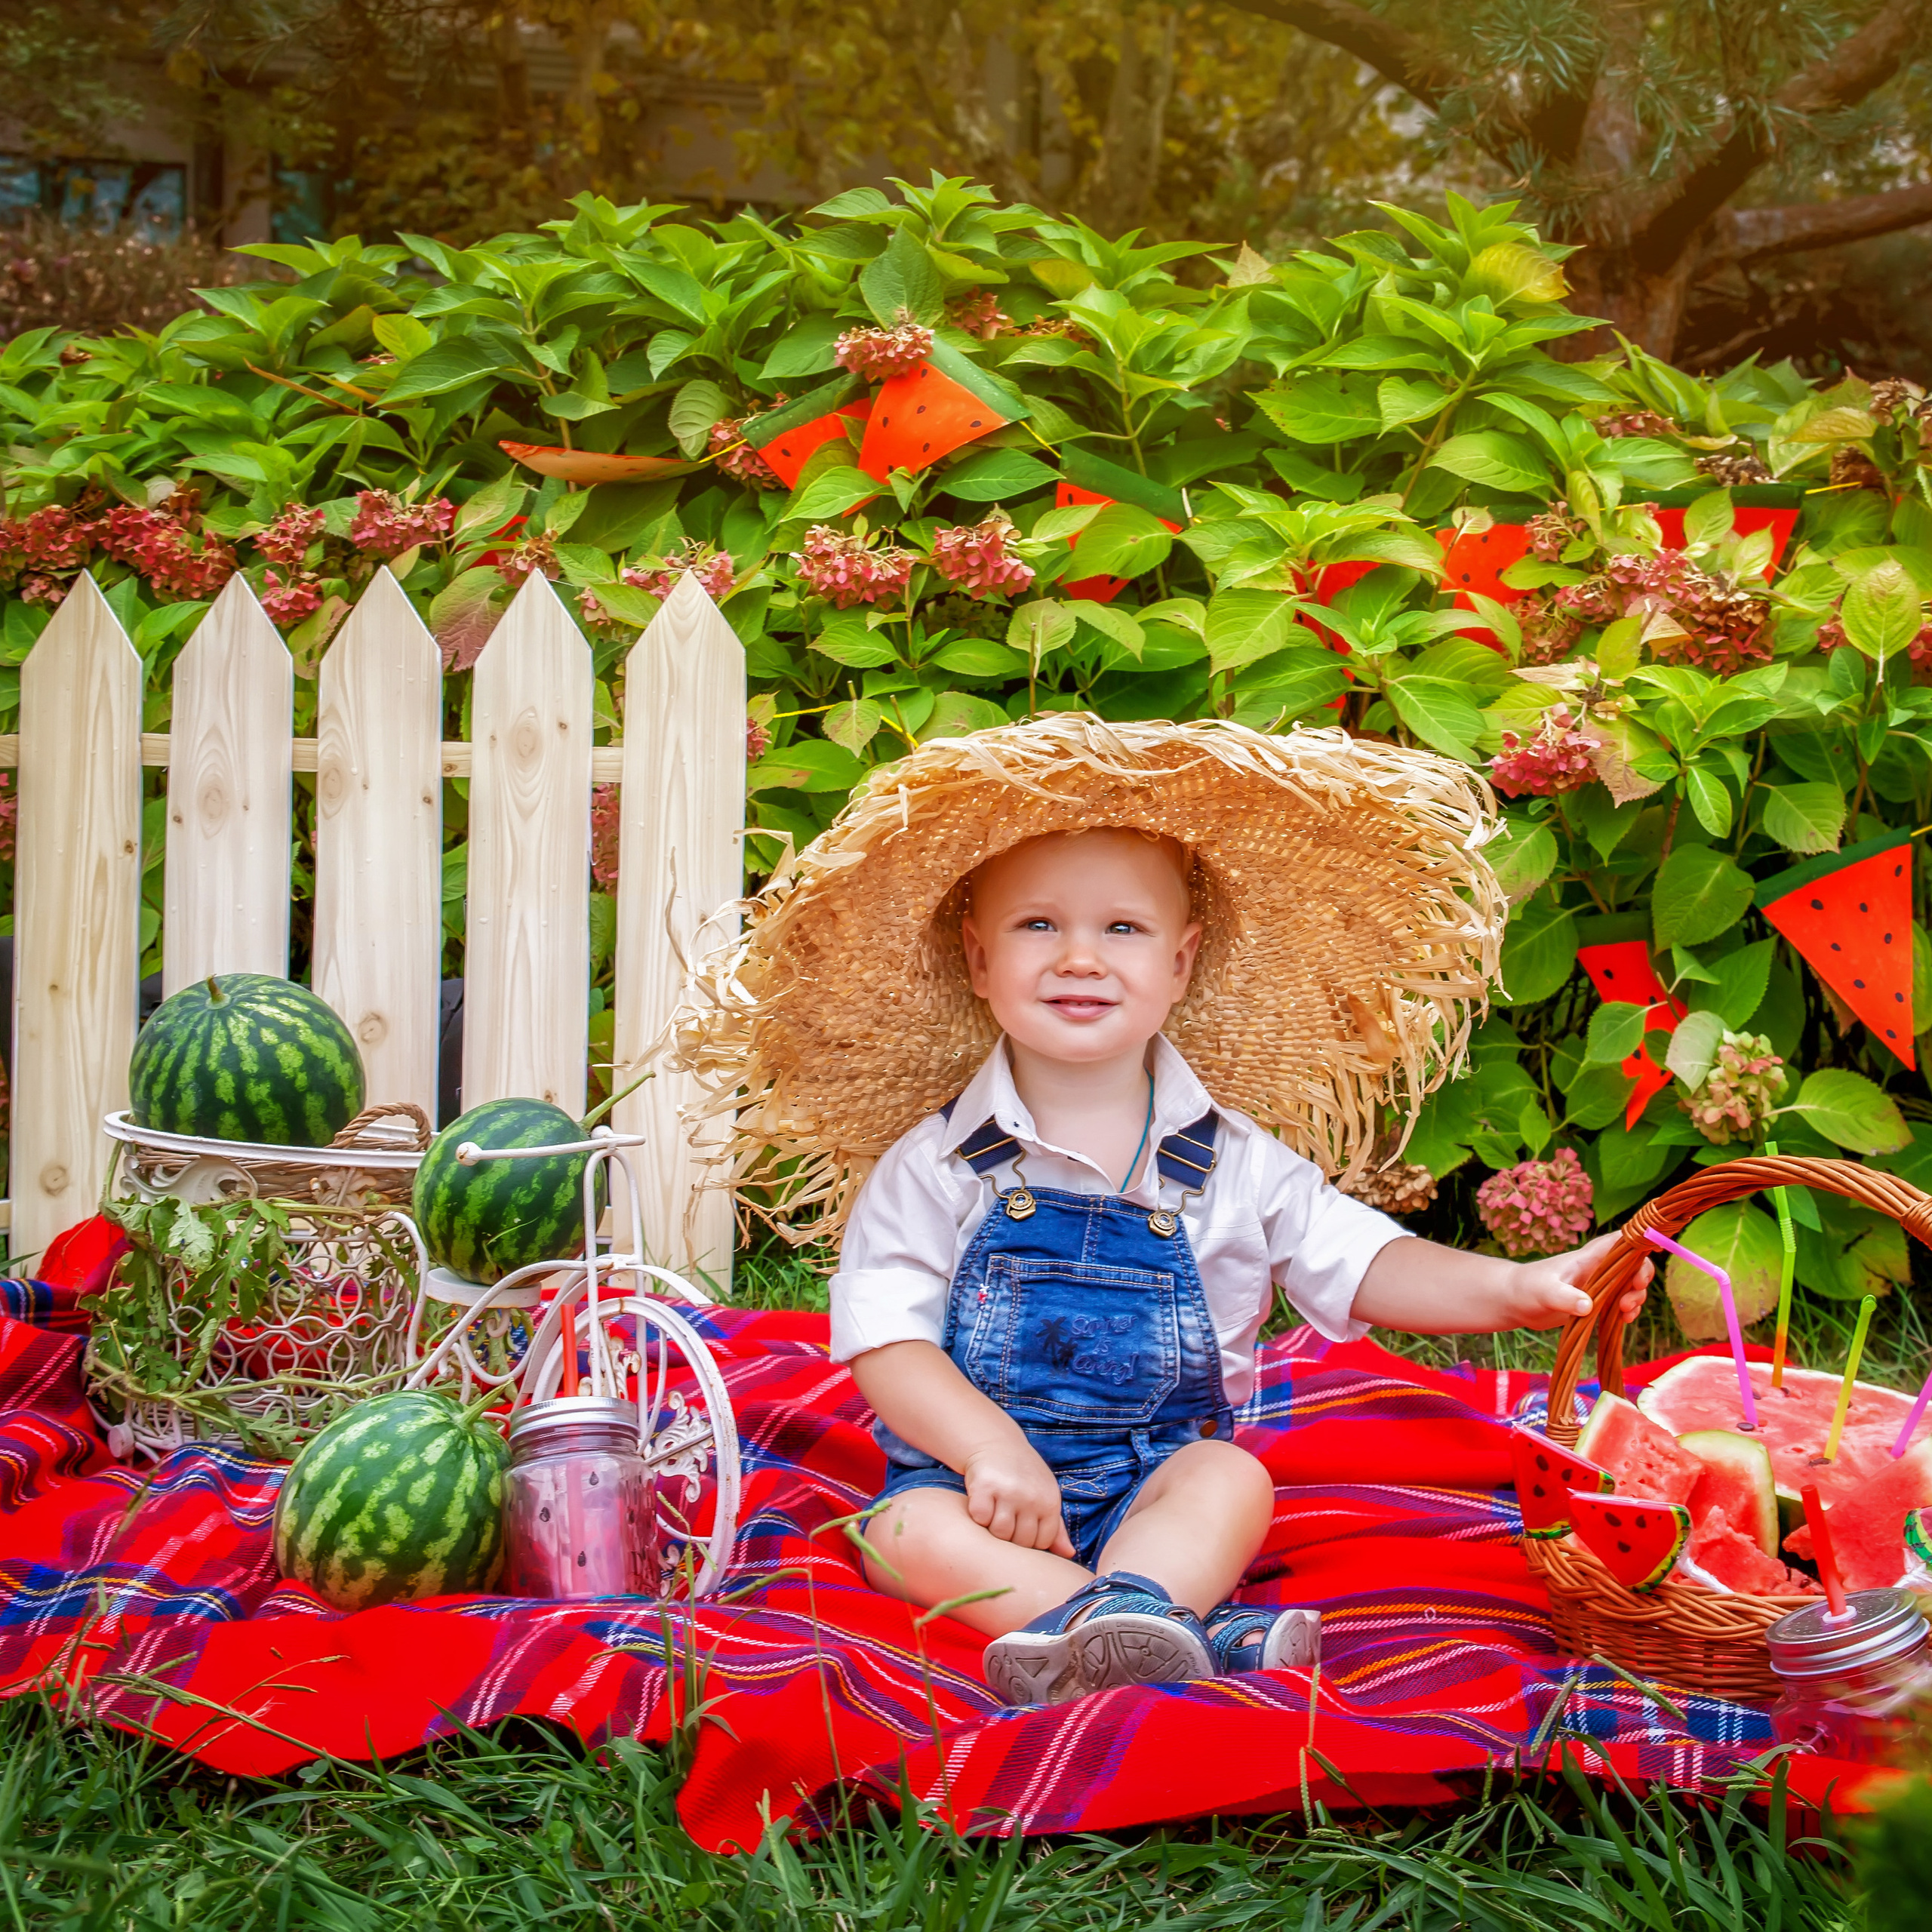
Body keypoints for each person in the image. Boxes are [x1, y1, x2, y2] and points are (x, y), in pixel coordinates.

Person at [678, 714, 1650, 1706]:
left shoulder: (1231, 1162)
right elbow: (888, 1344)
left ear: (1181, 963)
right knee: (898, 1536)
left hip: (1158, 1481)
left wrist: (1519, 1287)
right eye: (1039, 925)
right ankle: (1180, 1634)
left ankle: (1114, 1616)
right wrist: (987, 1448)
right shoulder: (933, 1166)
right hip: (980, 1488)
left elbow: (1368, 1261)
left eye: (1123, 929)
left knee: (1234, 1482)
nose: (1081, 958)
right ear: (977, 960)